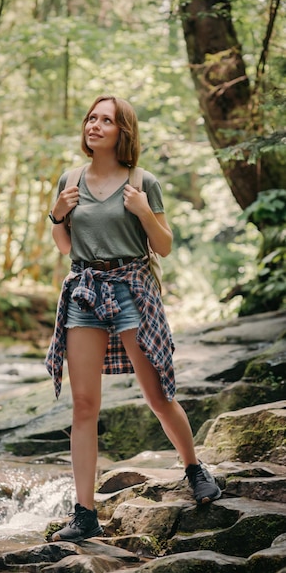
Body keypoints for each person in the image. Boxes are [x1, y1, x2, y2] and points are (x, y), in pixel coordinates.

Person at [45, 95, 221, 543]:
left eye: (106, 120)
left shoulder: (143, 181)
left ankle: (194, 469)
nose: (95, 125)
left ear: (123, 131)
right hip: (85, 291)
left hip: (131, 291)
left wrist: (143, 210)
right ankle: (84, 513)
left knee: (158, 394)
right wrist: (58, 214)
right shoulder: (70, 179)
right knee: (84, 405)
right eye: (91, 118)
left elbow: (162, 245)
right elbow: (64, 247)